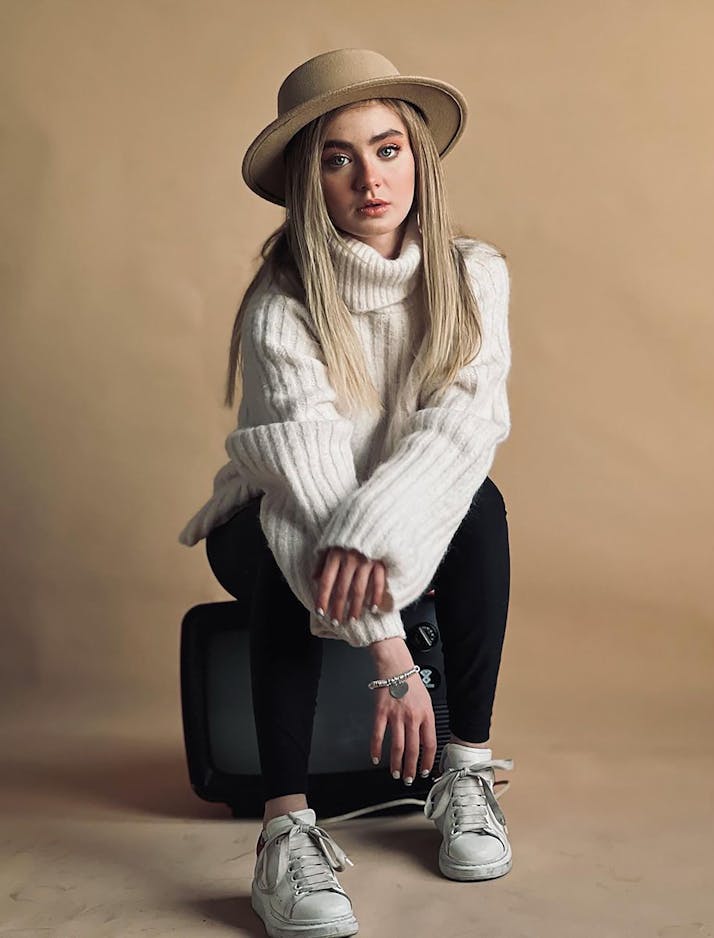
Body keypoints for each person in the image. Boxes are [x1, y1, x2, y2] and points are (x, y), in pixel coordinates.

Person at [178, 48, 514, 938]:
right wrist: (391, 661)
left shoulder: (475, 276)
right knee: (300, 543)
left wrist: (375, 533)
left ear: (420, 160)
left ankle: (464, 770)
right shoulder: (279, 306)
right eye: (338, 157)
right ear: (308, 179)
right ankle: (285, 833)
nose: (371, 178)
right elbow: (310, 479)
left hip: (403, 516)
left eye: (389, 148)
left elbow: (460, 435)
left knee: (480, 504)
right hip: (272, 515)